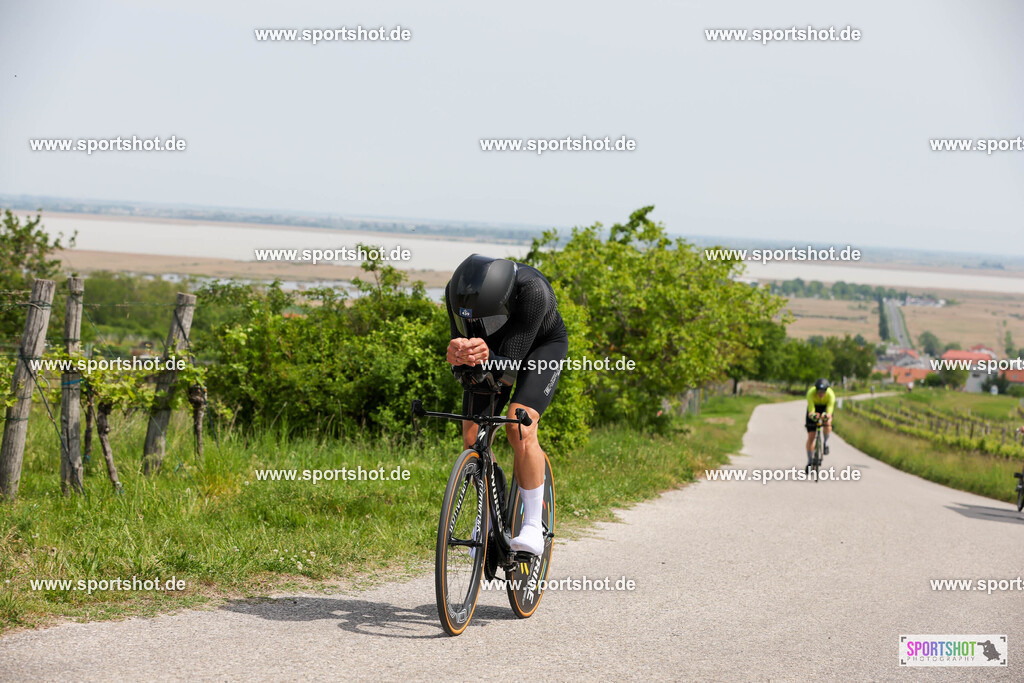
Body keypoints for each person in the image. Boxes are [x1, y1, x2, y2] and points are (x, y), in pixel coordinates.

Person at [445, 254, 568, 557]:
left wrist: (484, 356)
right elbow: (463, 357)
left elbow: (509, 370)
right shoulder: (456, 291)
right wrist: (458, 358)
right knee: (472, 437)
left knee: (519, 427)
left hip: (540, 348)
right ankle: (488, 518)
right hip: (493, 352)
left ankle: (531, 525)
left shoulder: (533, 291)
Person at [805, 378, 836, 471]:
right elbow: (811, 411)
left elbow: (830, 411)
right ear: (816, 390)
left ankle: (826, 443)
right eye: (819, 391)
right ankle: (809, 462)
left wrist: (826, 415)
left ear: (826, 390)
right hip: (814, 408)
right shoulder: (810, 393)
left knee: (827, 422)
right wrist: (813, 415)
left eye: (823, 392)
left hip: (825, 408)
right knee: (811, 436)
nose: (821, 394)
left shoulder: (831, 395)